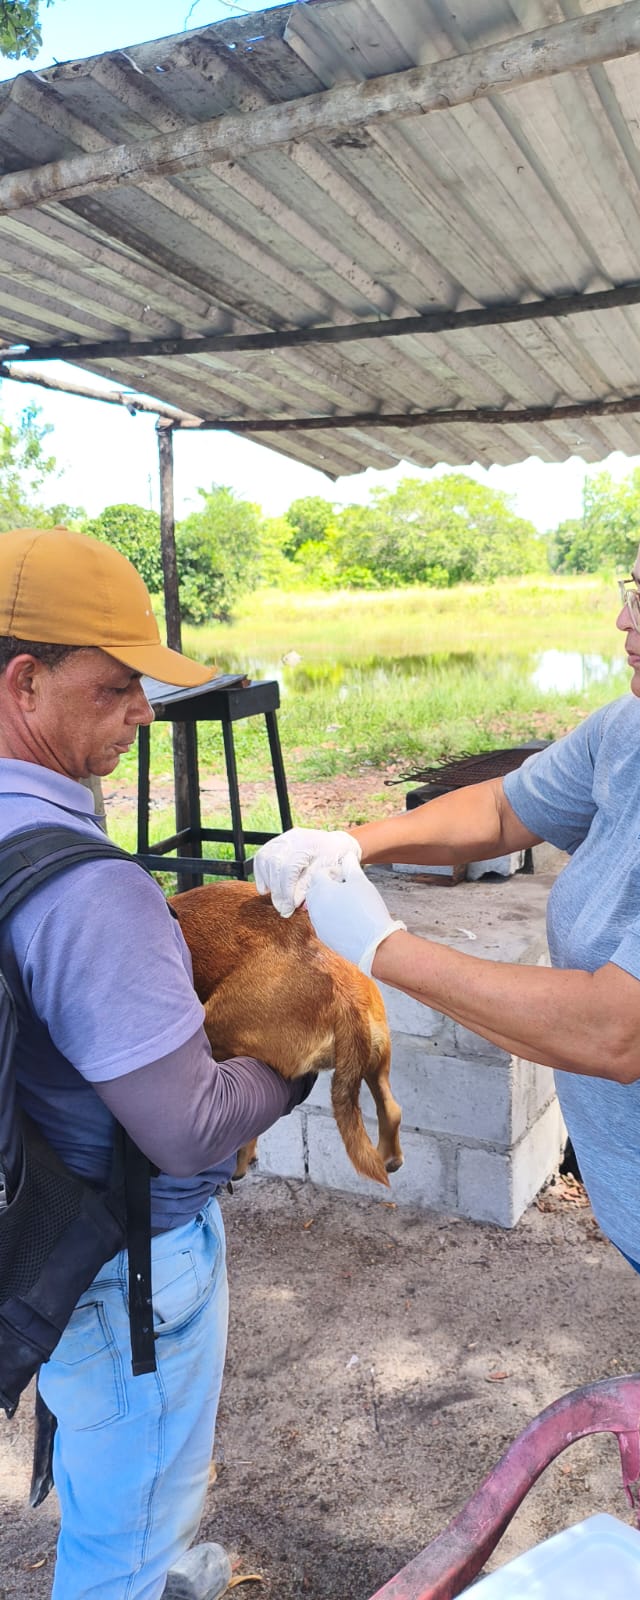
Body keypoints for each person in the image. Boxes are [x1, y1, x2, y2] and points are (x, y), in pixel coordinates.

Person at [254, 473, 640, 1381]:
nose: (625, 622)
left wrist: (385, 947)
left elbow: (620, 1029)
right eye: (629, 593)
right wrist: (353, 841)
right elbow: (508, 809)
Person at [0, 526, 313, 1600]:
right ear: (25, 681)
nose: (143, 711)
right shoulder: (90, 889)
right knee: (130, 1529)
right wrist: (299, 1056)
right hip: (123, 1261)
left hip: (32, 1216)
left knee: (104, 1469)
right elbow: (182, 1126)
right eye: (117, 685)